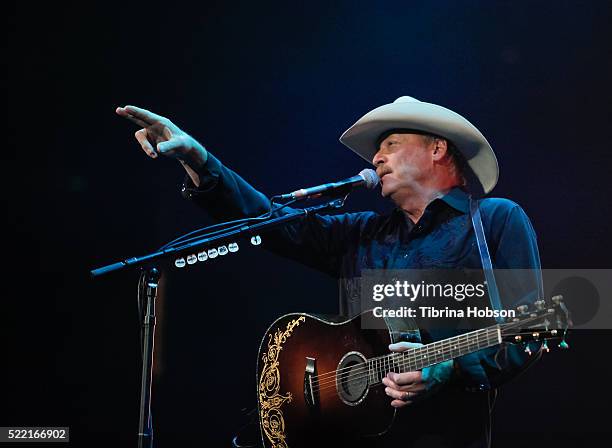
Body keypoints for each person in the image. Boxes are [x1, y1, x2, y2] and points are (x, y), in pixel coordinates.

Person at [116, 96, 544, 447]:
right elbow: (275, 223)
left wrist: (448, 367)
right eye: (378, 149)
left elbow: (534, 327)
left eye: (391, 143)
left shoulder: (494, 221)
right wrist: (200, 159)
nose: (376, 157)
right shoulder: (363, 233)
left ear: (438, 148)